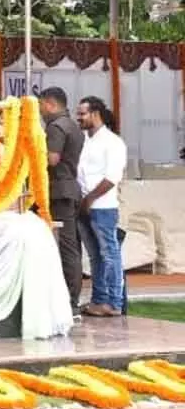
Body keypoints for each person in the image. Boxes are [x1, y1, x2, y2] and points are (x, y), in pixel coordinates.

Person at [75, 96, 127, 317]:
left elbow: (112, 177)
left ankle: (114, 303)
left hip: (102, 207)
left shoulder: (113, 142)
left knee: (110, 255)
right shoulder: (85, 140)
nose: (78, 118)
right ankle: (99, 300)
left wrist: (90, 199)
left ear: (95, 114)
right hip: (83, 206)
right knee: (95, 257)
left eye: (82, 114)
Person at [39, 86, 86, 313]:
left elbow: (52, 159)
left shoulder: (56, 127)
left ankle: (71, 301)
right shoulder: (73, 126)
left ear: (50, 104)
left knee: (67, 248)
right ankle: (69, 297)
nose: (40, 112)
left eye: (41, 106)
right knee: (70, 246)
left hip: (59, 192)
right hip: (67, 190)